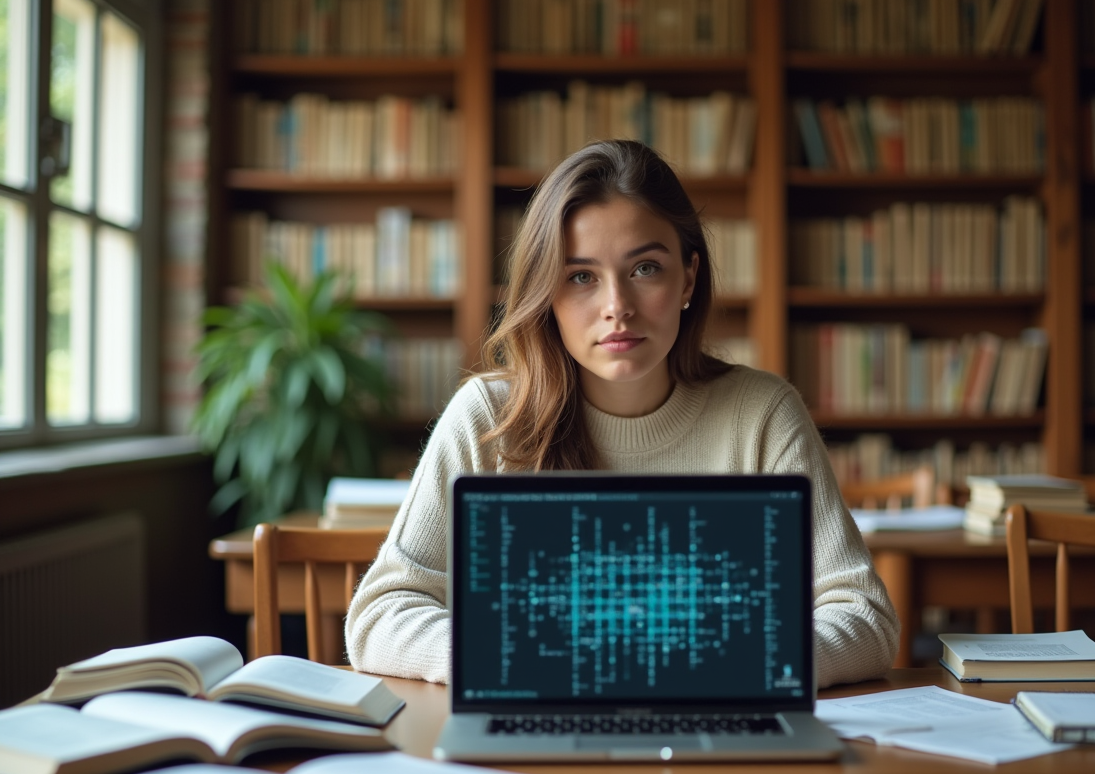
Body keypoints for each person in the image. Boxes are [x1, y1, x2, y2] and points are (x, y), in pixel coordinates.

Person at [346, 139, 899, 687]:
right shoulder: (489, 416)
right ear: (547, 293)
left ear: (687, 278)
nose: (617, 307)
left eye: (645, 269)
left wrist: (731, 660)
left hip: (711, 726)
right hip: (534, 726)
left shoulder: (762, 414)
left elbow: (865, 617)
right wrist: (512, 658)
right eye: (581, 276)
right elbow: (380, 615)